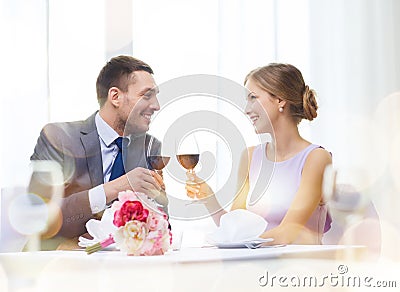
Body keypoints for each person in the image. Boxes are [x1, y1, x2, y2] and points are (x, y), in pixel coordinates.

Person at [186, 63, 332, 245]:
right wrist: (210, 199)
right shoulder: (249, 157)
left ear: (280, 100)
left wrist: (237, 243)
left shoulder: (316, 158)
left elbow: (288, 232)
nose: (246, 109)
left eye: (253, 98)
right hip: (257, 264)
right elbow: (235, 229)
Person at [31, 56, 167, 244]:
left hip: (123, 267)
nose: (156, 105)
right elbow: (38, 218)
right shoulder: (58, 138)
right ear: (115, 97)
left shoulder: (150, 148)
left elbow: (162, 225)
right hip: (58, 263)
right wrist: (115, 188)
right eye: (146, 95)